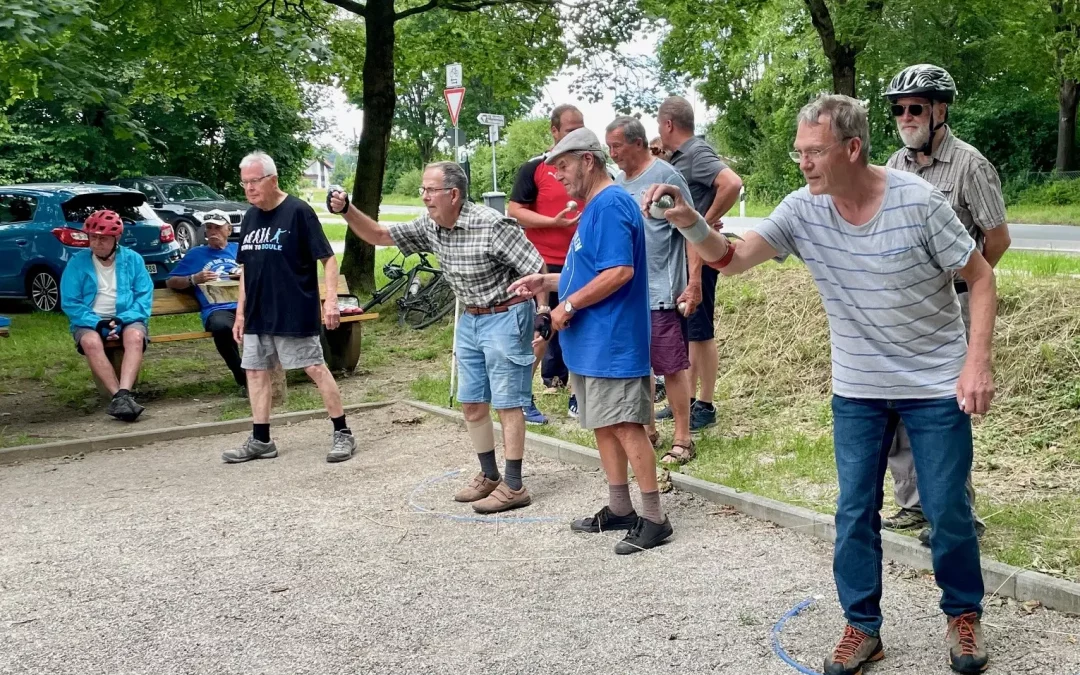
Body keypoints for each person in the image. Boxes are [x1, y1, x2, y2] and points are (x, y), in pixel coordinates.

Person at [648, 94, 994, 674]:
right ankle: (862, 627)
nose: (802, 163)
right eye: (798, 151)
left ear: (852, 149)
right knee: (854, 509)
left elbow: (980, 279)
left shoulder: (920, 202)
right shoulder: (803, 209)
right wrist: (691, 222)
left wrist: (976, 362)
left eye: (813, 152)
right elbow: (730, 260)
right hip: (858, 385)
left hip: (934, 382)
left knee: (946, 508)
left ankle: (963, 614)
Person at [329, 162, 545, 514]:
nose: (424, 196)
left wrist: (543, 314)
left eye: (430, 190)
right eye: (423, 190)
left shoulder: (492, 225)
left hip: (506, 315)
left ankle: (515, 485)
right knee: (472, 402)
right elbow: (380, 236)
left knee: (507, 403)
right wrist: (347, 209)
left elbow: (536, 268)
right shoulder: (430, 226)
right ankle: (490, 476)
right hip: (471, 319)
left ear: (454, 194)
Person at [509, 128, 672, 554]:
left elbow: (620, 272)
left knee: (625, 425)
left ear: (588, 160)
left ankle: (655, 518)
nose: (557, 175)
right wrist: (546, 280)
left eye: (562, 165)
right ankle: (621, 508)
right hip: (592, 344)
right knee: (602, 424)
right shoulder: (592, 209)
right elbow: (591, 272)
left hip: (613, 342)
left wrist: (568, 307)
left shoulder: (611, 203)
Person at [882, 64, 1012, 546]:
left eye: (915, 107)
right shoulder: (895, 164)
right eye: (898, 108)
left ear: (939, 110)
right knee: (897, 406)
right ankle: (914, 504)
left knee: (942, 410)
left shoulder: (970, 165)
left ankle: (958, 512)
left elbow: (998, 237)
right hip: (903, 311)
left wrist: (965, 279)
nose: (905, 116)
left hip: (950, 309)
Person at [223, 151, 357, 465]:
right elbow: (246, 269)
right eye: (245, 183)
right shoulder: (251, 216)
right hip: (257, 313)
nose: (249, 189)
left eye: (255, 181)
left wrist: (331, 301)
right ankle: (261, 439)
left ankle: (343, 432)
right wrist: (240, 313)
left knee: (314, 368)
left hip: (293, 309)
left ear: (273, 179)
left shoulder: (298, 211)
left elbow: (328, 258)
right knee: (255, 373)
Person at [606, 116, 698, 464]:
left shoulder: (666, 177)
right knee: (638, 367)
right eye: (610, 147)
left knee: (670, 366)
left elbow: (692, 228)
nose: (612, 153)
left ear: (639, 143)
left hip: (662, 290)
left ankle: (684, 439)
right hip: (628, 293)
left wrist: (693, 283)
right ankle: (648, 429)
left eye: (617, 146)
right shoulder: (617, 183)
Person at [657, 95, 743, 432]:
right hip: (685, 255)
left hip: (701, 257)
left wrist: (703, 224)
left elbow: (732, 183)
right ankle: (688, 400)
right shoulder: (680, 156)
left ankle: (705, 405)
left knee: (701, 330)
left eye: (658, 126)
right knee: (689, 330)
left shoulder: (696, 152)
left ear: (668, 124)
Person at [507, 104, 584, 424]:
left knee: (582, 327)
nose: (576, 135)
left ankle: (580, 396)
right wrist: (552, 222)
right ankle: (522, 397)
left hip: (582, 261)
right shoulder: (535, 168)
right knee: (543, 329)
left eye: (580, 129)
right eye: (569, 130)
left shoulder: (587, 166)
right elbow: (514, 210)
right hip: (544, 263)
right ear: (554, 131)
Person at [60, 209, 151, 422]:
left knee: (135, 337)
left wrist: (121, 320)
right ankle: (117, 397)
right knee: (90, 342)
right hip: (89, 320)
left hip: (126, 318)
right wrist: (97, 323)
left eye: (103, 238)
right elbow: (71, 302)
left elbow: (143, 299)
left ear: (116, 238)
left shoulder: (133, 260)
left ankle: (125, 393)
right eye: (93, 237)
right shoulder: (77, 262)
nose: (97, 243)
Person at [166, 210, 246, 393]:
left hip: (245, 303)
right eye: (208, 228)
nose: (212, 232)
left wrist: (244, 272)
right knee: (221, 327)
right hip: (217, 308)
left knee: (264, 321)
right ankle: (242, 377)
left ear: (229, 229)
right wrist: (194, 279)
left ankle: (263, 374)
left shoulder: (239, 249)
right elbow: (171, 281)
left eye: (217, 228)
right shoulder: (196, 254)